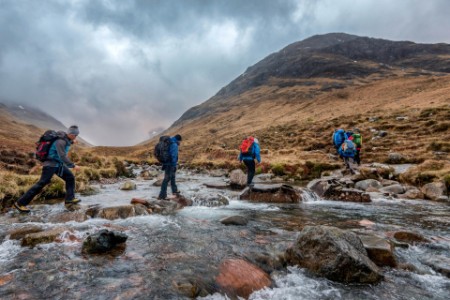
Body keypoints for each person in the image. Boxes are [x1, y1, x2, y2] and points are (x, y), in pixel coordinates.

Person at [14, 125, 82, 213]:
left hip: (57, 165)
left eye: (76, 135)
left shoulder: (65, 139)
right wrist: (73, 165)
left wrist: (72, 141)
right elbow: (62, 155)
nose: (75, 137)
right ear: (69, 133)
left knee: (70, 177)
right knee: (42, 183)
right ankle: (20, 203)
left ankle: (70, 198)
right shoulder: (60, 141)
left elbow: (66, 143)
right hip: (50, 165)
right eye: (74, 135)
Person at [158, 134, 182, 200]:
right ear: (178, 140)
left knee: (172, 176)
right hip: (170, 164)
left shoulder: (169, 142)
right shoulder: (174, 144)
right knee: (166, 179)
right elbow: (173, 155)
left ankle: (174, 191)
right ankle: (162, 195)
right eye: (180, 141)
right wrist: (174, 165)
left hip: (166, 163)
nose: (180, 142)